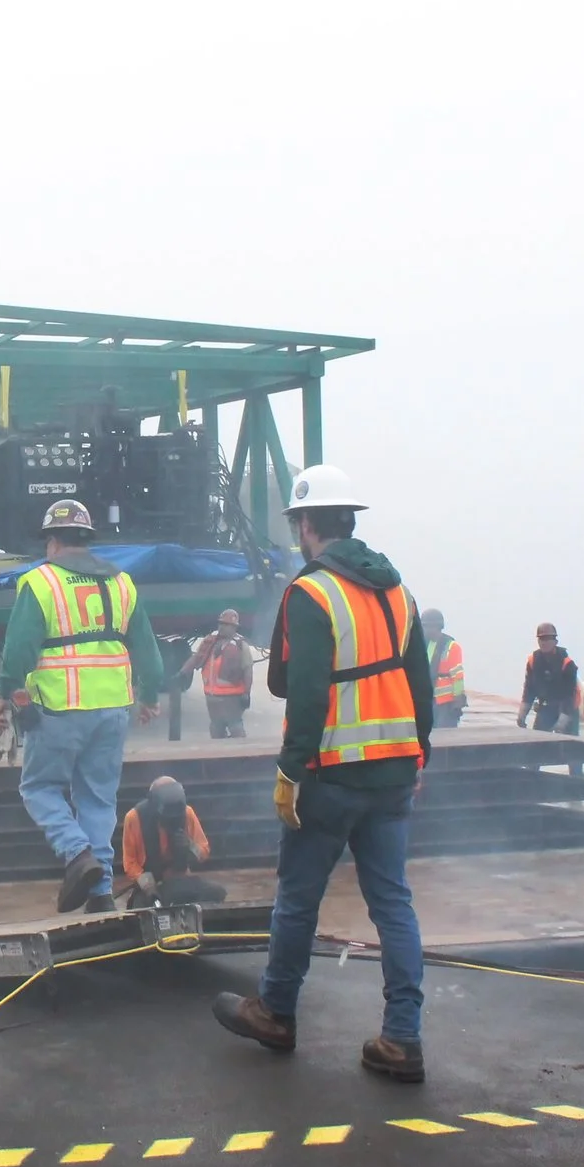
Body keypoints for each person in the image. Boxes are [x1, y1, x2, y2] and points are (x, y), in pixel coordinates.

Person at [212, 463, 434, 1083]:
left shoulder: (311, 593)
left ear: (307, 525)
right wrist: (422, 754)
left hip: (331, 774)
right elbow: (419, 684)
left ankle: (276, 1011)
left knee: (298, 900)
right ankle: (402, 1039)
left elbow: (296, 689)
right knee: (393, 904)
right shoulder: (400, 591)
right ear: (350, 520)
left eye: (297, 524)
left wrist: (290, 771)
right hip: (393, 773)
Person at [0, 499, 167, 914]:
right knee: (98, 800)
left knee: (38, 788)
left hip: (60, 707)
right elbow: (149, 652)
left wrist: (3, 693)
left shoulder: (41, 583)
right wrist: (150, 697)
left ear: (52, 542)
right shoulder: (124, 583)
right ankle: (100, 893)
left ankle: (77, 854)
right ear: (86, 540)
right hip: (113, 710)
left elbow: (19, 649)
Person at [118, 775, 224, 907]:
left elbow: (204, 850)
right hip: (154, 885)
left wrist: (190, 846)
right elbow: (130, 863)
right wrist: (148, 886)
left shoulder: (187, 813)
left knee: (217, 892)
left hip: (180, 881)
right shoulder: (134, 818)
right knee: (140, 906)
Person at [185, 609, 257, 740]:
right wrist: (183, 672)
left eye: (226, 625)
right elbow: (196, 658)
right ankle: (218, 757)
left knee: (235, 727)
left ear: (234, 627)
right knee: (216, 728)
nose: (222, 627)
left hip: (232, 698)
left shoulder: (241, 645)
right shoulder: (210, 642)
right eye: (221, 624)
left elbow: (248, 670)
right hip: (212, 697)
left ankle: (241, 756)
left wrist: (246, 693)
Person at [517, 624, 581, 734]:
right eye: (542, 639)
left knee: (568, 744)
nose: (544, 642)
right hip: (546, 706)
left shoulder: (567, 664)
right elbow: (529, 690)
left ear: (555, 641)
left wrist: (562, 722)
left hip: (567, 708)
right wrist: (522, 715)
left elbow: (570, 697)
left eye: (548, 639)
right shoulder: (533, 661)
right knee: (538, 740)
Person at [423, 609, 467, 727]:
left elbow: (457, 676)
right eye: (424, 627)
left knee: (445, 736)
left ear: (438, 627)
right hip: (428, 700)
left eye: (429, 627)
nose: (426, 630)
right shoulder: (424, 645)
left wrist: (458, 701)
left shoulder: (452, 646)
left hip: (446, 703)